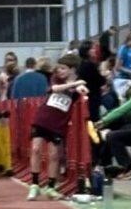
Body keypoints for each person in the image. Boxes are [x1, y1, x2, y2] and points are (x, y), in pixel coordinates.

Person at [27, 54, 88, 200]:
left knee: (54, 155)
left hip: (58, 123)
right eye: (59, 68)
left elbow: (82, 89)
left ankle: (51, 187)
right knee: (35, 149)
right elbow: (55, 89)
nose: (59, 71)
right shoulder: (56, 79)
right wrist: (74, 84)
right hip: (43, 118)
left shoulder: (77, 84)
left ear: (72, 70)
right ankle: (34, 185)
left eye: (63, 68)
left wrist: (80, 88)